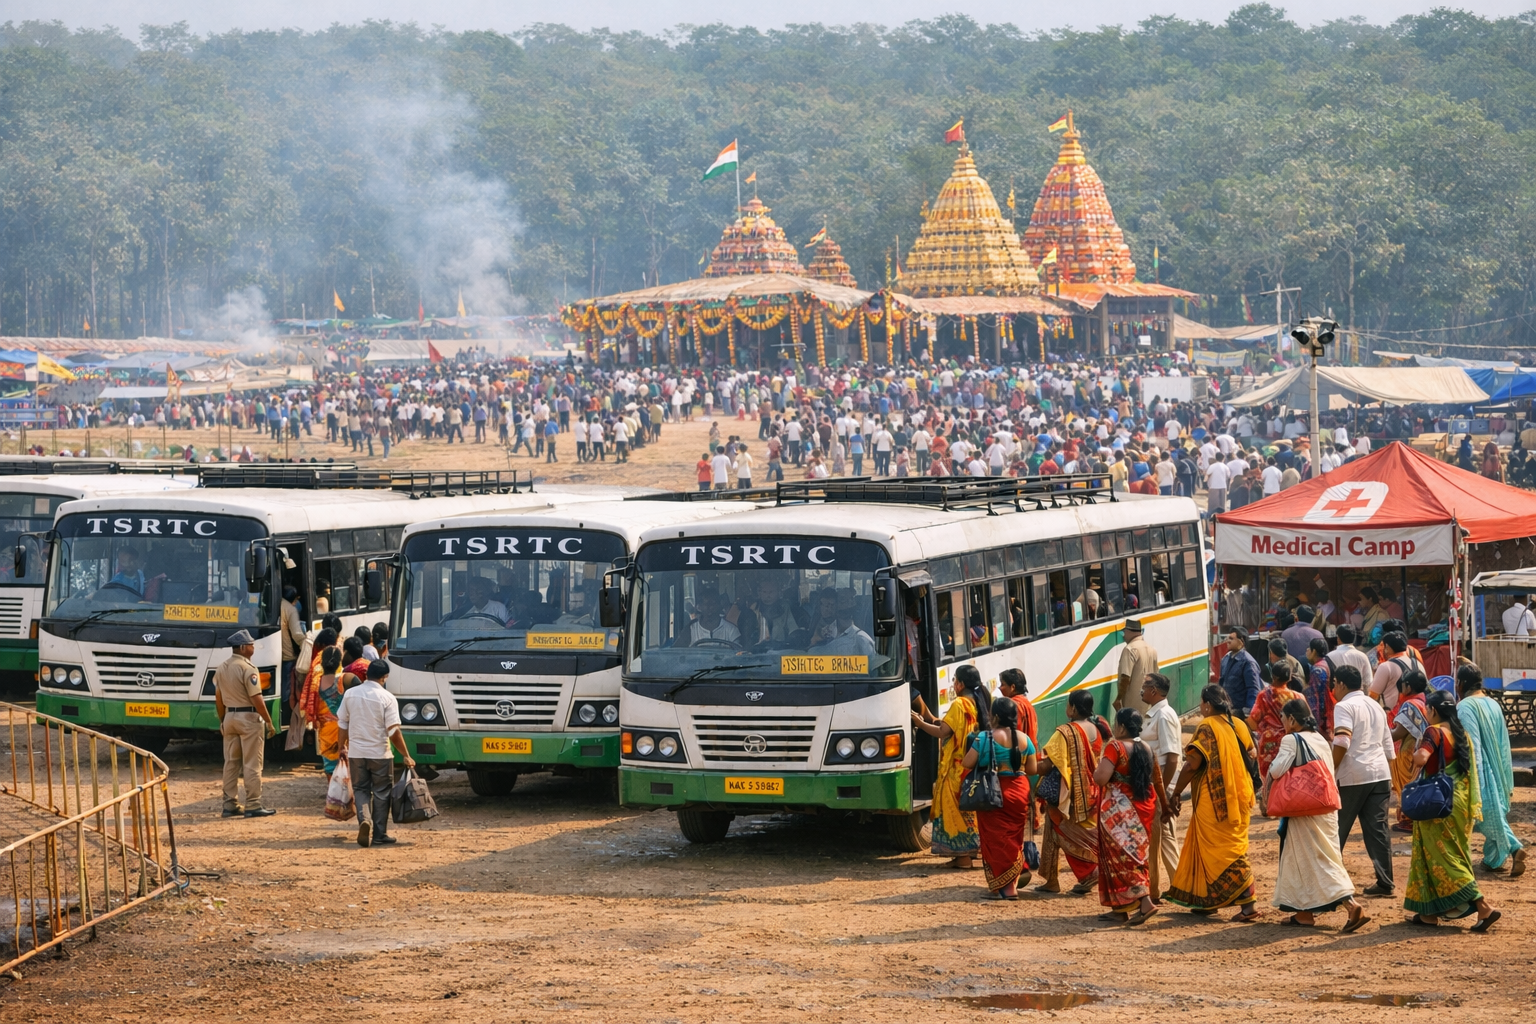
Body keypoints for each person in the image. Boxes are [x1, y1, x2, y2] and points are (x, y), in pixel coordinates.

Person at [1263, 698, 1371, 931]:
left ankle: (1351, 905)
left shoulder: (1291, 739)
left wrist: (1268, 780)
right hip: (1325, 806)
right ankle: (1304, 913)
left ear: (1292, 719)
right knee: (1311, 858)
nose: (1283, 723)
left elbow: (1277, 769)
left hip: (1305, 810)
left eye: (1283, 719)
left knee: (1317, 860)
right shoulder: (1321, 738)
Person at [1403, 691, 1501, 931]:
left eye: (1427, 710)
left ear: (1434, 711)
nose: (1426, 714)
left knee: (1444, 857)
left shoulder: (1433, 732)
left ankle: (1483, 906)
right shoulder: (1462, 735)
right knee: (1443, 852)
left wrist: (1414, 752)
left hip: (1436, 803)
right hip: (1457, 800)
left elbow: (1422, 759)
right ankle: (1429, 913)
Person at [1165, 685, 1260, 920]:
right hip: (1241, 797)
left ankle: (1248, 904)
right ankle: (1207, 900)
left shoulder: (1206, 726)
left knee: (1225, 852)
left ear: (1207, 704)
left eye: (1201, 704)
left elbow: (1191, 764)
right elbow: (1252, 753)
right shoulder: (1238, 724)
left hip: (1215, 801)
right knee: (1229, 846)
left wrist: (1176, 792)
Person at [1329, 664, 1395, 896]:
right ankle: (1385, 882)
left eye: (1335, 683)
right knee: (1378, 830)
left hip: (1353, 775)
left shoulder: (1344, 706)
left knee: (1337, 830)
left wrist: (1329, 769)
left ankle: (1330, 882)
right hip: (1380, 774)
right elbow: (1388, 746)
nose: (1333, 688)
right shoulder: (1376, 706)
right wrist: (1392, 779)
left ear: (1342, 685)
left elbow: (1342, 742)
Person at [911, 664, 987, 868]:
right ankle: (966, 855)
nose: (953, 684)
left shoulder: (959, 704)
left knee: (955, 814)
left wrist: (919, 723)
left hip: (956, 770)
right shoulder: (979, 702)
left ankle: (962, 858)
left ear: (961, 684)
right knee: (969, 813)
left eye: (954, 680)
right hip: (973, 767)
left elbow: (944, 732)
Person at [962, 696, 1037, 899]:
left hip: (994, 793)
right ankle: (1011, 886)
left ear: (994, 716)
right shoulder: (1025, 739)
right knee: (1014, 838)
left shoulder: (985, 738)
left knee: (995, 840)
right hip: (1019, 792)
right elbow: (1032, 769)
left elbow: (967, 763)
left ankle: (1000, 887)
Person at [1093, 708, 1163, 925]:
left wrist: (1096, 771)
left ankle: (1144, 902)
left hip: (1119, 813)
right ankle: (1120, 909)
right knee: (1136, 856)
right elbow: (1157, 780)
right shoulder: (1147, 748)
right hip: (1143, 809)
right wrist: (1167, 806)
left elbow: (1101, 778)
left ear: (1121, 726)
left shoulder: (1115, 747)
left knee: (1122, 859)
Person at [1456, 664, 1527, 876]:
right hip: (1500, 768)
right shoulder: (1493, 704)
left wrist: (1471, 776)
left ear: (1460, 684)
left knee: (1486, 816)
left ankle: (1515, 848)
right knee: (1495, 816)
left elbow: (1472, 745)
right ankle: (1494, 859)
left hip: (1484, 771)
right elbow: (1504, 742)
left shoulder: (1465, 707)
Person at [1035, 690, 1108, 895]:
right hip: (1092, 790)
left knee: (1062, 831)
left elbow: (1048, 765)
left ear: (1073, 708)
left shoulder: (1065, 732)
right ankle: (1051, 880)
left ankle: (1089, 873)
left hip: (1068, 794)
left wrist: (1029, 765)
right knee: (1061, 830)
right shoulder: (1096, 728)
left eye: (1068, 704)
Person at [337, 659, 415, 848]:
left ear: (366, 675)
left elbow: (342, 724)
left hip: (357, 753)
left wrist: (341, 747)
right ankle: (379, 834)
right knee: (381, 793)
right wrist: (406, 754)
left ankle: (365, 819)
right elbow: (393, 731)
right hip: (380, 754)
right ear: (384, 677)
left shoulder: (350, 695)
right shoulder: (387, 698)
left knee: (361, 790)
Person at [213, 629, 277, 818]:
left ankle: (230, 803)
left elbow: (218, 698)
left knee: (231, 763)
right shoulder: (248, 669)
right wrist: (268, 721)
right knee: (252, 763)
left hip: (230, 717)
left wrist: (222, 720)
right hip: (248, 719)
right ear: (242, 648)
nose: (253, 647)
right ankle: (253, 804)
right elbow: (257, 698)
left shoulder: (222, 667)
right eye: (251, 644)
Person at [1139, 673, 1182, 902]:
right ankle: (1166, 887)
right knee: (1161, 839)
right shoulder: (1155, 714)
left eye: (1145, 686)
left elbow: (1172, 757)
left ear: (1154, 690)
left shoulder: (1164, 716)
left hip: (1161, 786)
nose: (1142, 690)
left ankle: (1180, 886)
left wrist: (1164, 792)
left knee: (1165, 836)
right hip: (1156, 785)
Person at [298, 646, 357, 776]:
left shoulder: (314, 683)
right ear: (339, 661)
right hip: (344, 730)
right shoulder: (345, 679)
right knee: (347, 765)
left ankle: (333, 792)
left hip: (325, 731)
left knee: (330, 767)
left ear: (322, 662)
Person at [1388, 670, 1432, 834]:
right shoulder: (1424, 701)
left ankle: (1408, 821)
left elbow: (1399, 733)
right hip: (1420, 749)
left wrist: (1382, 733)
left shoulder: (1410, 704)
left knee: (1407, 786)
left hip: (1409, 753)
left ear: (1408, 687)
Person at [1249, 660, 1304, 775]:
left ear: (1273, 676)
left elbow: (1253, 722)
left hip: (1269, 743)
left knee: (1269, 777)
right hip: (1291, 741)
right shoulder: (1298, 697)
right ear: (1289, 678)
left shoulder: (1263, 695)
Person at [1114, 618, 1157, 714]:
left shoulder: (1129, 650)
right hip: (1149, 703)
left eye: (1124, 632)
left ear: (1129, 631)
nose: (1124, 636)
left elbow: (1125, 678)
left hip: (1133, 705)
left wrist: (1118, 699)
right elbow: (1157, 677)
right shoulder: (1151, 649)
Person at [1218, 627, 1261, 719]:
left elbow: (1253, 689)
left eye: (1231, 639)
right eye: (1228, 638)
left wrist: (1247, 713)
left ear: (1241, 641)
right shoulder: (1225, 659)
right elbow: (1221, 684)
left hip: (1240, 714)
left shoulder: (1248, 662)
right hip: (1226, 712)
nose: (1228, 641)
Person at [1302, 637, 1337, 736]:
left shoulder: (1318, 670)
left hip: (1322, 714)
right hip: (1327, 710)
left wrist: (1315, 721)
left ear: (1314, 651)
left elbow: (1316, 697)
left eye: (1309, 648)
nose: (1307, 650)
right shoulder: (1325, 663)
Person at [279, 585, 306, 705]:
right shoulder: (290, 609)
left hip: (272, 651)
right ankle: (286, 711)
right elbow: (296, 634)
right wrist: (306, 643)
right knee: (287, 686)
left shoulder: (274, 602)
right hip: (287, 655)